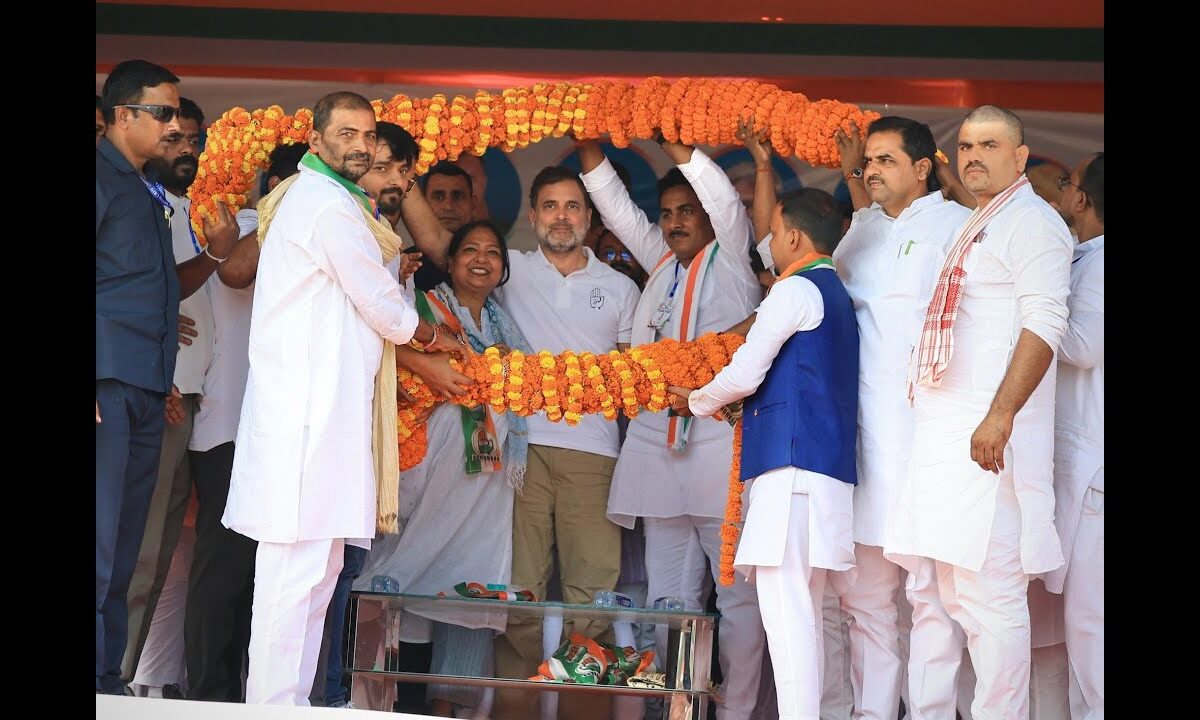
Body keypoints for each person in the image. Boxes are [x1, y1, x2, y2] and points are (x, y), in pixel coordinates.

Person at [221, 91, 466, 706]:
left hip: (330, 413)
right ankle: (272, 708)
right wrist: (434, 336)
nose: (359, 145)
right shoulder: (323, 204)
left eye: (367, 134)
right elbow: (382, 305)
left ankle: (292, 705)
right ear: (317, 137)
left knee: (320, 571)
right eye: (347, 134)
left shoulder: (339, 201)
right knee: (294, 574)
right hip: (307, 415)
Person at [883, 105, 1073, 719]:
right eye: (965, 145)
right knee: (952, 597)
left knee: (991, 601)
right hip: (946, 443)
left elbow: (1044, 322)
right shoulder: (981, 220)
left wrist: (1000, 415)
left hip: (988, 446)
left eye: (990, 145)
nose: (973, 156)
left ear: (1020, 157)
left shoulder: (1034, 223)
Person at [578, 134, 765, 720]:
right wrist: (588, 134)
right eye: (668, 214)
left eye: (690, 211)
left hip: (717, 446)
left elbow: (726, 203)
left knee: (736, 599)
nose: (677, 222)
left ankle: (734, 711)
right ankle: (678, 707)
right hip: (656, 448)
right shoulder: (660, 260)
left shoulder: (735, 256)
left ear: (711, 217)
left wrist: (675, 149)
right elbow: (610, 201)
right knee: (668, 597)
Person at [670, 187, 859, 720]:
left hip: (793, 473)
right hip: (818, 475)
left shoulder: (794, 289)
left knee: (790, 619)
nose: (769, 244)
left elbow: (746, 370)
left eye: (773, 233)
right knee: (808, 616)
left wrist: (699, 400)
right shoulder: (834, 290)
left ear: (794, 236)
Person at [357, 220, 532, 717]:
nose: (481, 259)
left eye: (493, 251)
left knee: (472, 579)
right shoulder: (422, 306)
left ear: (503, 269)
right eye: (470, 250)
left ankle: (452, 707)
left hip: (485, 484)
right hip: (423, 465)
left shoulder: (508, 328)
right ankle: (388, 699)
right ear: (450, 262)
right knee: (400, 566)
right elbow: (390, 361)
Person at [1045, 152, 1104, 720]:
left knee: (1090, 627)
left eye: (1069, 184)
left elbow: (1083, 346)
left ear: (1081, 199)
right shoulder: (1088, 258)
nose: (1064, 191)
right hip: (1086, 470)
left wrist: (1037, 309)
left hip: (1095, 476)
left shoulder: (1102, 263)